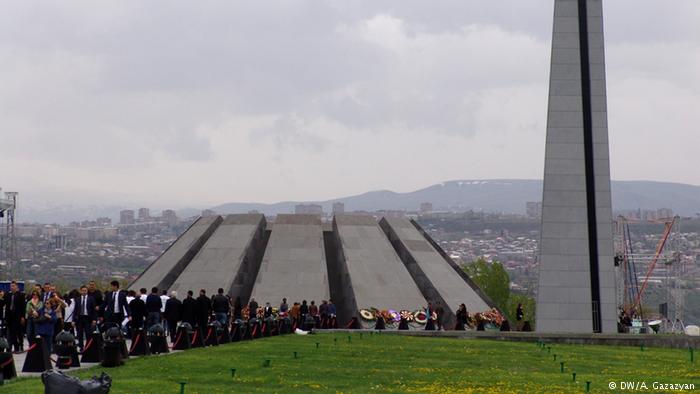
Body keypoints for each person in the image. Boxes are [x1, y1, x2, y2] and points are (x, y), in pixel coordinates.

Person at [5, 281, 26, 353]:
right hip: (9, 316)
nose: (12, 287)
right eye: (11, 286)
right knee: (10, 333)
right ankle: (12, 347)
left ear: (16, 287)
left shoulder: (21, 295)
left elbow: (23, 307)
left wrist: (23, 317)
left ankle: (20, 346)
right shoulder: (8, 294)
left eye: (13, 286)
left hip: (17, 316)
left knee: (18, 332)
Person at [74, 285, 96, 350]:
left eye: (85, 291)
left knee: (88, 333)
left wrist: (94, 319)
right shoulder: (78, 299)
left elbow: (93, 310)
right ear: (80, 291)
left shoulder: (91, 299)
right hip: (80, 318)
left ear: (87, 291)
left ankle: (88, 347)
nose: (84, 292)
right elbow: (75, 310)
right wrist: (73, 320)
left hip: (88, 318)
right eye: (83, 291)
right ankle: (81, 347)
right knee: (79, 333)